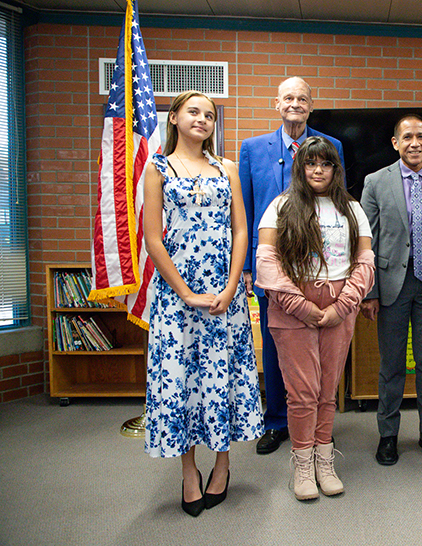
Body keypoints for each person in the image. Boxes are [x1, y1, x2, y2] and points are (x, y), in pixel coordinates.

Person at [143, 90, 264, 517]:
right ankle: (189, 469)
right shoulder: (156, 168)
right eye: (193, 111)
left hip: (222, 294)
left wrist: (232, 287)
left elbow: (241, 232)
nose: (202, 119)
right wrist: (185, 293)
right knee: (182, 381)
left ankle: (223, 464)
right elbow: (153, 239)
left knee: (221, 378)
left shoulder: (226, 168)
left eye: (210, 115)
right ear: (173, 117)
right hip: (177, 297)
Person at [255, 137, 374, 501]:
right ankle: (303, 463)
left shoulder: (352, 209)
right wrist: (302, 306)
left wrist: (343, 305)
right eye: (311, 164)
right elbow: (266, 261)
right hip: (293, 307)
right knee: (302, 392)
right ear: (300, 168)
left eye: (325, 164)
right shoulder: (281, 206)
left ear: (336, 170)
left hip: (339, 304)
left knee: (327, 390)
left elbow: (365, 262)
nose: (318, 171)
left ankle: (325, 459)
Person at [239, 77, 345, 455]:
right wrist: (251, 265)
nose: (295, 104)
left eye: (302, 98)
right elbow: (246, 209)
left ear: (311, 105)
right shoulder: (252, 149)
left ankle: (320, 424)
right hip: (273, 266)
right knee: (275, 343)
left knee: (322, 346)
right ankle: (278, 420)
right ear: (277, 103)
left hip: (322, 267)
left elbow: (340, 200)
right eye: (288, 98)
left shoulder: (331, 147)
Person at [360, 114, 422, 466]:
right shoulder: (375, 182)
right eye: (407, 137)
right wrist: (369, 292)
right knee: (392, 365)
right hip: (391, 288)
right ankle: (388, 435)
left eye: (420, 137)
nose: (414, 143)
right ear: (395, 143)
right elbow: (366, 241)